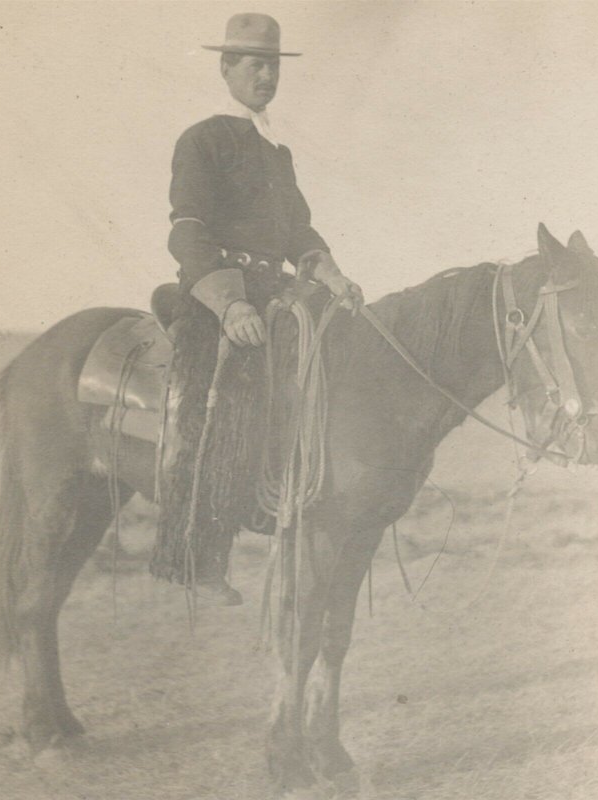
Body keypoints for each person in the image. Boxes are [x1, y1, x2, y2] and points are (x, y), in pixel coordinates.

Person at [151, 13, 362, 604]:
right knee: (223, 398)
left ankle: (298, 511)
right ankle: (197, 548)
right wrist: (230, 305)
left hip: (278, 296)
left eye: (272, 64)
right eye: (253, 64)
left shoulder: (276, 151)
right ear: (226, 69)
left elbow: (299, 233)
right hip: (219, 294)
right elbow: (186, 231)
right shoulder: (204, 139)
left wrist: (333, 274)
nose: (265, 74)